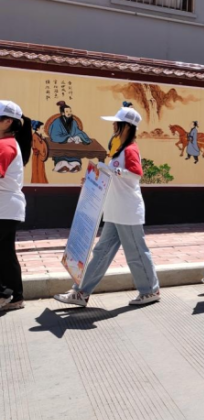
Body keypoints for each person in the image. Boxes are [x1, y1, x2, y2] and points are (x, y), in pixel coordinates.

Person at [54, 102, 161, 307]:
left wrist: (110, 170)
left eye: (116, 123)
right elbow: (115, 177)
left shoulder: (130, 149)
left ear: (126, 126)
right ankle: (81, 292)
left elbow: (136, 174)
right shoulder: (120, 149)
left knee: (136, 253)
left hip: (127, 211)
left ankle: (150, 290)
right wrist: (96, 177)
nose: (113, 126)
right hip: (115, 211)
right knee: (101, 252)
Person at [0, 101, 32, 312]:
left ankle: (5, 293)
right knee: (5, 254)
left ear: (7, 122)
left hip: (4, 208)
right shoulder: (9, 143)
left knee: (5, 253)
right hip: (8, 208)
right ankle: (15, 297)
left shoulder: (6, 145)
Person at [49, 100, 91, 172]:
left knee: (75, 158)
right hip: (61, 146)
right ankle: (63, 165)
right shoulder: (57, 122)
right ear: (63, 113)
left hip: (72, 146)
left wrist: (78, 137)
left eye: (70, 111)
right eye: (67, 111)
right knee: (62, 159)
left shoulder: (73, 122)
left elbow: (77, 131)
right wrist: (66, 138)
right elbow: (54, 135)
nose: (69, 113)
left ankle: (74, 165)